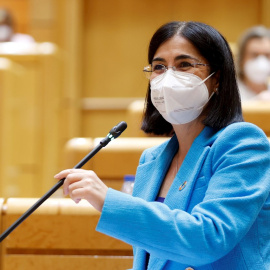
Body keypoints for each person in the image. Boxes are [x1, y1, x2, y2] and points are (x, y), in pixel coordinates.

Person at [55, 21, 270, 269]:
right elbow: (151, 260)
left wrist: (107, 200)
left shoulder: (242, 144)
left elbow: (207, 239)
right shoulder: (151, 160)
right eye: (159, 67)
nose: (168, 77)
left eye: (184, 65)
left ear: (217, 78)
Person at [236, 25, 270, 100]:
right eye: (254, 55)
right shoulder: (229, 93)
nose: (261, 61)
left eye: (267, 55)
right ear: (241, 60)